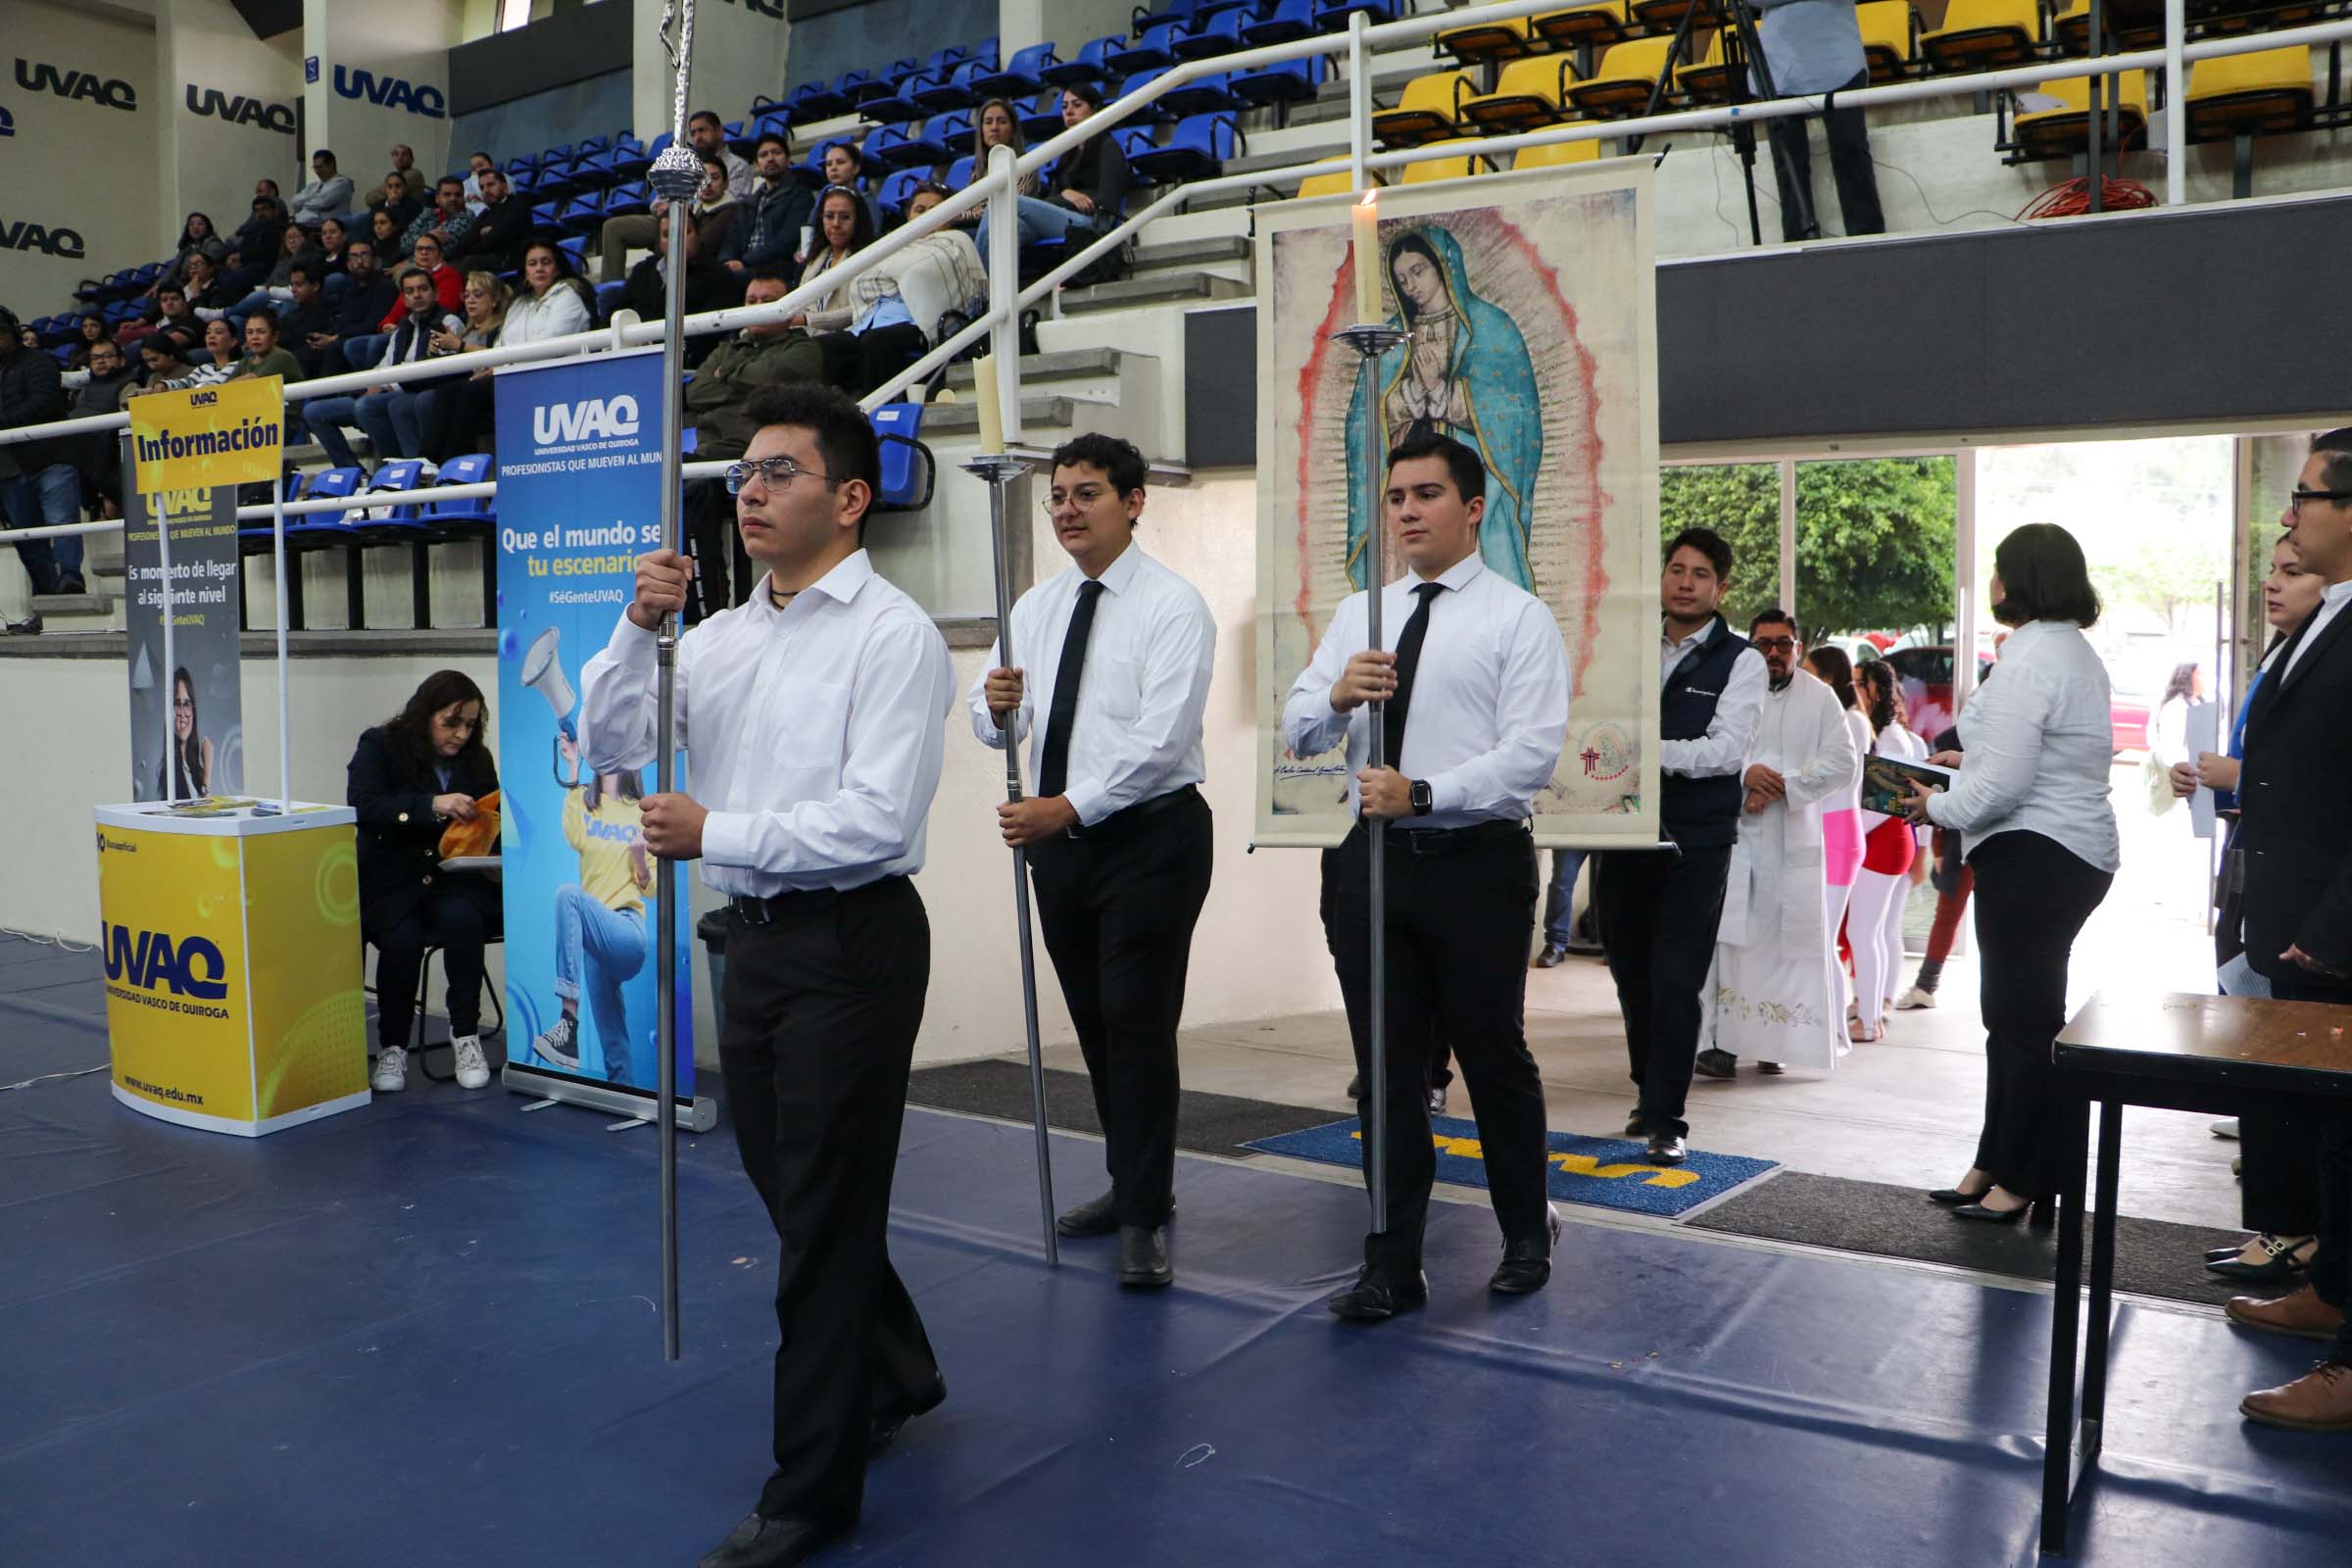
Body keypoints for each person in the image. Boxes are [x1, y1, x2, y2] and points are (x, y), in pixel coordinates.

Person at [579, 383, 953, 1568]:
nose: (750, 489)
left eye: (780, 470)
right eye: (745, 471)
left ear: (850, 498)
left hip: (852, 942)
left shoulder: (895, 637)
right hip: (755, 943)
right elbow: (611, 744)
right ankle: (897, 1368)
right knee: (794, 1189)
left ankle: (812, 1487)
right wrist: (639, 627)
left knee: (827, 1215)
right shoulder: (723, 635)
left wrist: (717, 832)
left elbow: (878, 820)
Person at [1280, 430, 1569, 1322]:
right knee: (1388, 1072)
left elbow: (1532, 753)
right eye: (1397, 496)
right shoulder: (1358, 615)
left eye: (1427, 494)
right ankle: (1390, 1263)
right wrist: (1334, 698)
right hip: (1369, 868)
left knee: (1492, 1057)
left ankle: (1526, 1230)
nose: (1406, 510)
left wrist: (1428, 792)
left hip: (1475, 865)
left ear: (1472, 508)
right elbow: (1297, 730)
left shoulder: (1517, 617)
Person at [970, 433, 1214, 1288]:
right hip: (1061, 847)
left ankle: (1145, 1215)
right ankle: (1130, 1184)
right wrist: (994, 703)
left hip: (1150, 840)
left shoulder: (1173, 606)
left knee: (1137, 1024)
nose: (1068, 510)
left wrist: (1066, 805)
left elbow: (1161, 741)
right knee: (1098, 1026)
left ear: (1134, 501)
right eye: (1059, 496)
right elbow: (989, 714)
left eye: (1087, 494)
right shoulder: (1037, 605)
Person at [1899, 523, 2116, 1225]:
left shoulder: (2028, 660)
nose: (1991, 582)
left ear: (2019, 577)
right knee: (2013, 1022)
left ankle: (2024, 1176)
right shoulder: (2070, 651)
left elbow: (2005, 787)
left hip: (2036, 851)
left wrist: (1934, 802)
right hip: (2057, 852)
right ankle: (1995, 1160)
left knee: (2022, 1026)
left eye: (1998, 569)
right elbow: (2021, 761)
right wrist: (1965, 771)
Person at [2221, 432, 2352, 1430]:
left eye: (2304, 496)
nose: (2288, 517)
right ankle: (2334, 1291)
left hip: (2333, 936)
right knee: (2334, 1139)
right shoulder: (2327, 618)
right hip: (2297, 928)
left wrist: (2328, 927)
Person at [2173, 531, 2326, 1287]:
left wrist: (2238, 774)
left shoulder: (2324, 660)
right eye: (2270, 571)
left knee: (2283, 1059)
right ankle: (2282, 1224)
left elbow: (2309, 785)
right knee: (2255, 1046)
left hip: (2293, 889)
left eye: (2291, 573)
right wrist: (2213, 780)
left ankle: (2296, 1231)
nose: (2273, 586)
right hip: (2251, 865)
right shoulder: (2282, 658)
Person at [1593, 527, 1766, 1163]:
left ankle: (1668, 1118)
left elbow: (1725, 752)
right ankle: (1648, 1090)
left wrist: (1641, 756)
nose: (1685, 582)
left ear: (1721, 588)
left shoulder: (1740, 660)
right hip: (1621, 831)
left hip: (1696, 842)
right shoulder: (1627, 646)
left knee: (1674, 981)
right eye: (1676, 569)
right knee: (1629, 975)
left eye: (1699, 574)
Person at [1695, 611, 1855, 1080]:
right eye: (1764, 643)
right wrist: (1746, 777)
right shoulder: (1733, 687)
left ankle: (1776, 1044)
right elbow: (1711, 745)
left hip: (1792, 840)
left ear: (1798, 648)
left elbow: (1844, 761)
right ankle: (1720, 1046)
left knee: (1789, 950)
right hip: (1740, 834)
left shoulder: (1820, 697)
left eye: (1783, 644)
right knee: (1729, 945)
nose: (1773, 653)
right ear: (1751, 646)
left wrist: (1784, 784)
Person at [348, 669, 502, 1095]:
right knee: (403, 940)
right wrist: (431, 805)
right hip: (393, 880)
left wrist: (491, 853)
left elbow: (493, 817)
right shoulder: (379, 745)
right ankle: (393, 1046)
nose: (460, 735)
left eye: (470, 724)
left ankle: (465, 1034)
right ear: (425, 714)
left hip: (455, 880)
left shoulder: (477, 759)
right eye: (451, 722)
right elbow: (363, 806)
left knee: (464, 918)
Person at [681, 272, 827, 618]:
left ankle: (709, 609)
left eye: (768, 301)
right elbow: (695, 392)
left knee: (696, 488)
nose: (757, 308)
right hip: (709, 456)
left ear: (789, 309)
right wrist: (746, 377)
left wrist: (725, 377)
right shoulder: (727, 348)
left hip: (759, 460)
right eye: (751, 301)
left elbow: (774, 379)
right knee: (664, 479)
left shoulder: (803, 348)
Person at [528, 734, 653, 1084]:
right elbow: (573, 835)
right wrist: (572, 765)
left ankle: (568, 1020)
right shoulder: (587, 804)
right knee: (612, 1032)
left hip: (627, 930)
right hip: (595, 935)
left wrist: (640, 859)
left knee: (568, 894)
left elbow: (653, 887)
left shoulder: (643, 811)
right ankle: (623, 1093)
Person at [1752, 0, 1886, 243]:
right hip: (1779, 66)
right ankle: (1797, 245)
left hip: (1839, 59)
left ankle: (1868, 242)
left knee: (1850, 153)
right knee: (1788, 163)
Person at [304, 266, 459, 469]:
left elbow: (439, 372)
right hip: (388, 390)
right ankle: (352, 472)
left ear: (435, 293)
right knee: (314, 411)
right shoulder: (403, 327)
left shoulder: (448, 323)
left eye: (423, 289)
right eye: (410, 291)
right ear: (403, 298)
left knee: (367, 406)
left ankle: (396, 468)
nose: (417, 295)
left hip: (417, 392)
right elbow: (384, 366)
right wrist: (367, 386)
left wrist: (387, 387)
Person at [1848, 657, 1924, 1043]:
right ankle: (1872, 1004)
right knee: (1875, 930)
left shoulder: (1892, 736)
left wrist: (1848, 835)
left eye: (1861, 683)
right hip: (1885, 838)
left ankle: (1870, 1014)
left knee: (1865, 931)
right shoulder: (1887, 732)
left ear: (1878, 688)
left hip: (1884, 840)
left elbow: (1884, 802)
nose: (1855, 690)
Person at [976, 82, 1127, 265]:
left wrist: (1067, 197)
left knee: (1003, 200)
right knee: (1008, 227)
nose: (1069, 112)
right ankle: (990, 292)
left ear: (1094, 109)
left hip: (1092, 223)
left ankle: (977, 287)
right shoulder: (1067, 152)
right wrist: (1066, 194)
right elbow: (1051, 200)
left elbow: (1107, 206)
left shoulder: (1109, 148)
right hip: (1063, 218)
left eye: (1077, 105)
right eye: (1064, 107)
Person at [601, 111, 754, 280]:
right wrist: (663, 208)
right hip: (670, 220)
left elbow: (733, 200)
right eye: (693, 133)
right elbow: (658, 200)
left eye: (703, 130)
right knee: (614, 227)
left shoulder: (737, 165)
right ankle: (611, 288)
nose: (698, 137)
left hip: (707, 221)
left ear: (719, 132)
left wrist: (683, 204)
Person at [0, 307, 88, 598]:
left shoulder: (40, 362)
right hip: (9, 469)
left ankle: (70, 578)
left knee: (61, 521)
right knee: (27, 537)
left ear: (12, 332)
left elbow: (41, 403)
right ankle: (46, 592)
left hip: (50, 457)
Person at [1807, 646, 1871, 1024]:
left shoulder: (1850, 721)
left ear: (1828, 677)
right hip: (1829, 829)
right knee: (1820, 939)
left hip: (1839, 832)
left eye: (1811, 671)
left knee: (1824, 939)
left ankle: (1832, 1028)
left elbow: (1834, 777)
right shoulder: (1843, 718)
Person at [616, 211, 737, 365]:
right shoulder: (643, 270)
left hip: (689, 363)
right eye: (667, 235)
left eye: (685, 232)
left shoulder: (719, 276)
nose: (676, 240)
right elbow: (614, 312)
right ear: (659, 242)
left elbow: (710, 338)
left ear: (698, 235)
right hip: (636, 357)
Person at [421, 271, 512, 463]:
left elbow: (497, 354)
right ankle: (429, 460)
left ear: (494, 300)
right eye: (467, 295)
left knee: (447, 393)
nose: (470, 300)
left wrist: (458, 346)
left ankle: (449, 460)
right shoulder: (465, 331)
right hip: (462, 385)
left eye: (478, 295)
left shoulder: (502, 327)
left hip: (489, 386)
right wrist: (436, 351)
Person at [718, 132, 816, 282]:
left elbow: (786, 241)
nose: (770, 158)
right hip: (744, 266)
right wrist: (726, 262)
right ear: (757, 164)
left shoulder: (800, 196)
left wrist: (744, 262)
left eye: (776, 153)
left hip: (777, 267)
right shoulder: (748, 203)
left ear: (788, 159)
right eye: (764, 155)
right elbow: (731, 239)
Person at [311, 236, 399, 378]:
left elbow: (375, 323)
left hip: (371, 339)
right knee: (310, 350)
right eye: (354, 256)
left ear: (375, 261)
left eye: (364, 255)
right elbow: (344, 322)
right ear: (348, 264)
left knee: (334, 347)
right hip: (348, 337)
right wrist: (325, 335)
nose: (359, 261)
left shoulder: (385, 286)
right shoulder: (350, 290)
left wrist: (336, 338)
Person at [957, 98, 1042, 225]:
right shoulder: (978, 170)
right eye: (988, 122)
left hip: (1010, 225)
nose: (994, 128)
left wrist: (963, 216)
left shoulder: (1024, 165)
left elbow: (1008, 205)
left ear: (1013, 130)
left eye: (1002, 122)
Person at [499, 240, 594, 345]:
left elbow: (551, 343)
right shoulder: (518, 303)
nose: (539, 268)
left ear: (558, 269)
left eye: (546, 262)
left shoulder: (568, 296)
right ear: (525, 273)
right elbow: (502, 344)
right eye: (532, 264)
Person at [452, 166, 532, 274]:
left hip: (511, 259)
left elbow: (497, 237)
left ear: (505, 187)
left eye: (490, 185)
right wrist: (485, 234)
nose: (485, 190)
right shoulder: (486, 213)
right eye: (482, 187)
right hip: (487, 258)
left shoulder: (518, 204)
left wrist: (479, 240)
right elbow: (462, 243)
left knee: (468, 262)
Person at [376, 230, 463, 325]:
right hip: (404, 328)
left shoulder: (449, 274)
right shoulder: (411, 278)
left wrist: (404, 325)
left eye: (429, 249)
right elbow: (397, 310)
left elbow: (445, 309)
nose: (424, 252)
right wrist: (386, 324)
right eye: (419, 249)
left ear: (440, 254)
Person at [159, 667, 215, 799]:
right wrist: (208, 771)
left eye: (187, 704)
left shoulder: (191, 767)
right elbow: (198, 815)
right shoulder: (170, 772)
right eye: (178, 704)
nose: (183, 714)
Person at [402, 176, 480, 263]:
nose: (453, 198)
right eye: (447, 194)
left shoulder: (467, 218)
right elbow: (404, 245)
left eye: (458, 195)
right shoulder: (428, 214)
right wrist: (428, 236)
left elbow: (441, 252)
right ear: (437, 198)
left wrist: (407, 262)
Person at [225, 310, 304, 385]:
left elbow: (253, 382)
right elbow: (222, 389)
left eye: (261, 332)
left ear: (275, 336)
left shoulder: (283, 357)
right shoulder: (244, 362)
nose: (254, 337)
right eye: (250, 332)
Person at [291, 148, 355, 227]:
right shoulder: (313, 186)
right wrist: (314, 197)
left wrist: (304, 205)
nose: (317, 171)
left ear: (331, 165)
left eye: (320, 167)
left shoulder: (341, 184)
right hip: (306, 227)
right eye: (315, 167)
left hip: (332, 230)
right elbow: (294, 202)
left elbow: (322, 202)